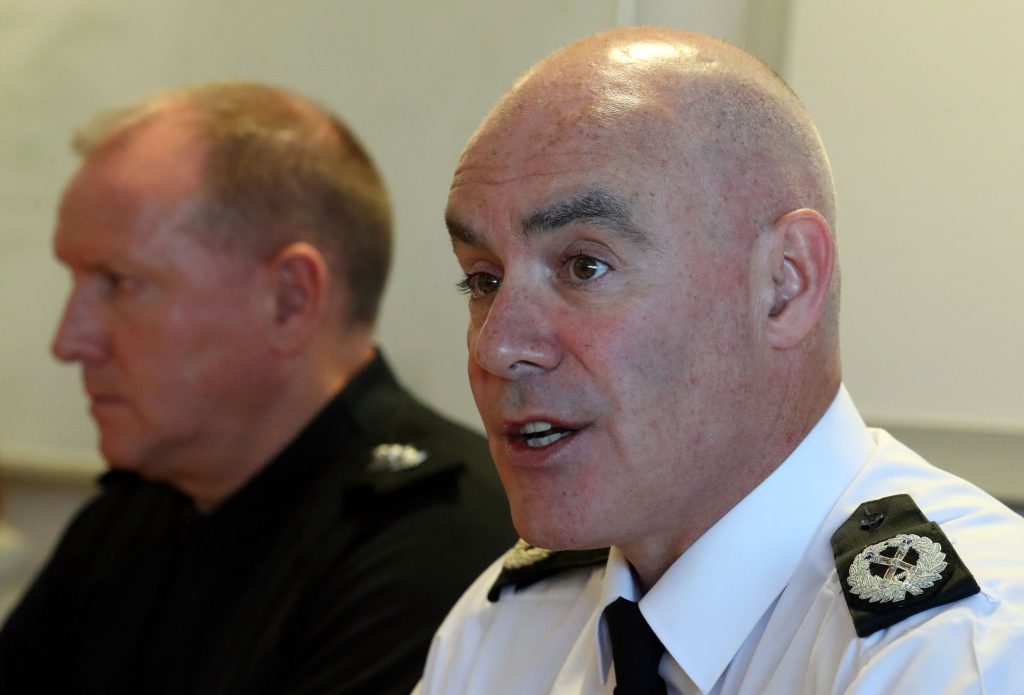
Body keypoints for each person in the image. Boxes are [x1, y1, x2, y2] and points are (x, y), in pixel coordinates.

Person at [415, 27, 1024, 694]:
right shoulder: (504, 628)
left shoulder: (963, 648)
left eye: (584, 266)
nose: (498, 347)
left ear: (784, 284)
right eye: (483, 279)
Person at [0, 81, 515, 694]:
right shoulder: (131, 517)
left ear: (290, 299)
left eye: (117, 283)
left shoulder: (431, 545)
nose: (69, 340)